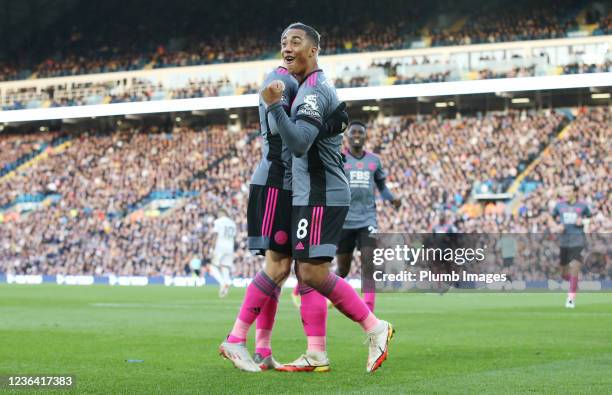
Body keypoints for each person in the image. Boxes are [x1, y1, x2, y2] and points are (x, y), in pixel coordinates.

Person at [264, 22, 393, 373]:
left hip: (323, 194)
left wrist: (274, 106)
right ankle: (316, 352)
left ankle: (375, 327)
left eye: (295, 42)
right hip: (311, 192)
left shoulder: (313, 92)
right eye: (282, 42)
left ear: (314, 49)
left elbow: (300, 142)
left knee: (313, 272)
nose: (287, 48)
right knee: (307, 274)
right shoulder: (306, 86)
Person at [218, 66, 298, 372]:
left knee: (278, 270)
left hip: (284, 183)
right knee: (277, 268)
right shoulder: (280, 81)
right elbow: (281, 130)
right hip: (275, 183)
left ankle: (263, 350)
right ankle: (235, 338)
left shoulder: (288, 80)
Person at [336, 121, 400, 312]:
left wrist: (391, 199)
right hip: (345, 221)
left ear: (365, 136)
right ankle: (325, 294)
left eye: (360, 132)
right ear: (347, 136)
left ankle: (368, 309)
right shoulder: (339, 158)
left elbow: (381, 186)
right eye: (353, 132)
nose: (357, 135)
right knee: (343, 270)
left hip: (367, 219)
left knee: (369, 262)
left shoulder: (374, 161)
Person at [551, 185, 591, 308]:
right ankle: (574, 283)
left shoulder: (583, 206)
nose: (566, 193)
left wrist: (583, 222)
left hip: (578, 241)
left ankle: (570, 299)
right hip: (564, 241)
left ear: (575, 192)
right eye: (564, 191)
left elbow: (590, 218)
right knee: (563, 273)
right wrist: (556, 226)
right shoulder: (559, 205)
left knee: (574, 267)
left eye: (568, 191)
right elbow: (550, 218)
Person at [208, 209, 237, 298]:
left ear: (220, 214)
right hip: (230, 247)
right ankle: (226, 285)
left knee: (212, 266)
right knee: (225, 267)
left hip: (220, 246)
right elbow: (234, 238)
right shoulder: (233, 223)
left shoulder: (218, 221)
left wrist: (212, 249)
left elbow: (215, 235)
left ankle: (222, 283)